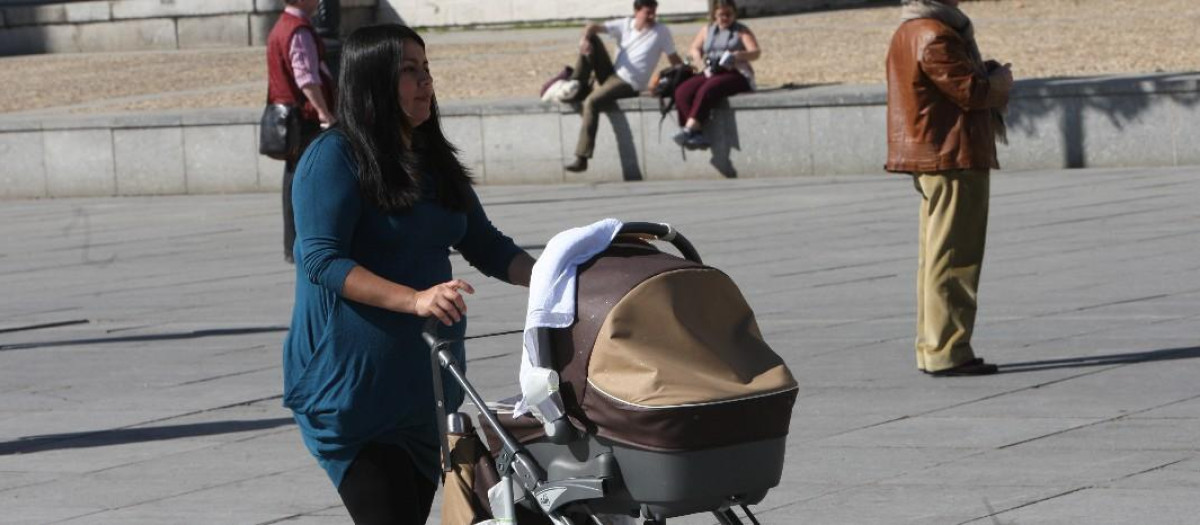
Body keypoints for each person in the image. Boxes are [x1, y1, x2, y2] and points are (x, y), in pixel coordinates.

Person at [283, 24, 537, 524]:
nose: (426, 81)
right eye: (408, 71)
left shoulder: (431, 159)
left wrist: (562, 274)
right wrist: (416, 299)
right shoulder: (332, 157)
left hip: (424, 392)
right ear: (372, 81)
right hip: (350, 396)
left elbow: (485, 244)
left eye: (426, 69)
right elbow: (321, 260)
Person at [885, 0, 1013, 376]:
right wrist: (999, 83)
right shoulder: (935, 33)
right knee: (955, 256)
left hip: (937, 153)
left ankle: (933, 347)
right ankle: (948, 350)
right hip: (951, 154)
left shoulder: (912, 29)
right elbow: (970, 93)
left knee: (938, 255)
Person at [560, 0, 683, 173]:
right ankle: (578, 84)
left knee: (591, 102)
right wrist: (585, 39)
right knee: (592, 39)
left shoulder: (661, 31)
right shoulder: (625, 24)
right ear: (636, 11)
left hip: (628, 83)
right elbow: (592, 26)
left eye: (654, 12)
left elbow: (673, 58)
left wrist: (688, 71)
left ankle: (582, 158)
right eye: (648, 12)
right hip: (612, 75)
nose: (652, 17)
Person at [266, 0, 337, 264]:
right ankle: (304, 242)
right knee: (309, 179)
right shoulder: (298, 30)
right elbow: (306, 77)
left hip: (291, 118)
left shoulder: (281, 26)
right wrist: (324, 112)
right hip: (304, 119)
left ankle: (294, 243)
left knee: (295, 178)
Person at [672, 0, 760, 150]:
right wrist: (698, 61)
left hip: (735, 72)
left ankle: (689, 129)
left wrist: (739, 55)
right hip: (711, 70)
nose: (725, 18)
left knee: (707, 89)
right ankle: (695, 132)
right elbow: (693, 49)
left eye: (728, 14)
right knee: (682, 91)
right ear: (714, 15)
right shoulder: (707, 30)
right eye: (721, 15)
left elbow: (756, 53)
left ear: (734, 14)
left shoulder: (741, 31)